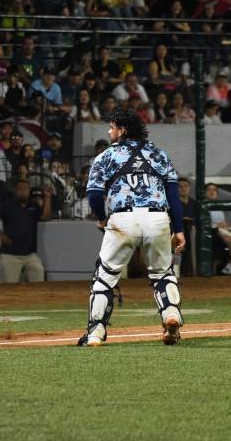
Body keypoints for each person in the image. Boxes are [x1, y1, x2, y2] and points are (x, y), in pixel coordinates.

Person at [78, 109, 186, 347]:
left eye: (112, 127)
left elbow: (94, 194)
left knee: (105, 277)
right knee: (162, 273)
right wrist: (178, 230)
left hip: (123, 218)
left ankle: (96, 332)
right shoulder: (159, 154)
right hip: (158, 218)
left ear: (122, 130)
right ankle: (171, 315)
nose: (109, 131)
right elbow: (174, 198)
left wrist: (102, 218)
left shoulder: (107, 155)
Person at [0, 179, 51, 283]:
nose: (22, 192)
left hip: (29, 255)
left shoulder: (33, 205)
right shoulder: (6, 205)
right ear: (15, 191)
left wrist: (47, 197)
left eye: (25, 189)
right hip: (9, 254)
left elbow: (45, 216)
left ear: (29, 191)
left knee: (38, 270)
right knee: (9, 287)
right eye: (20, 189)